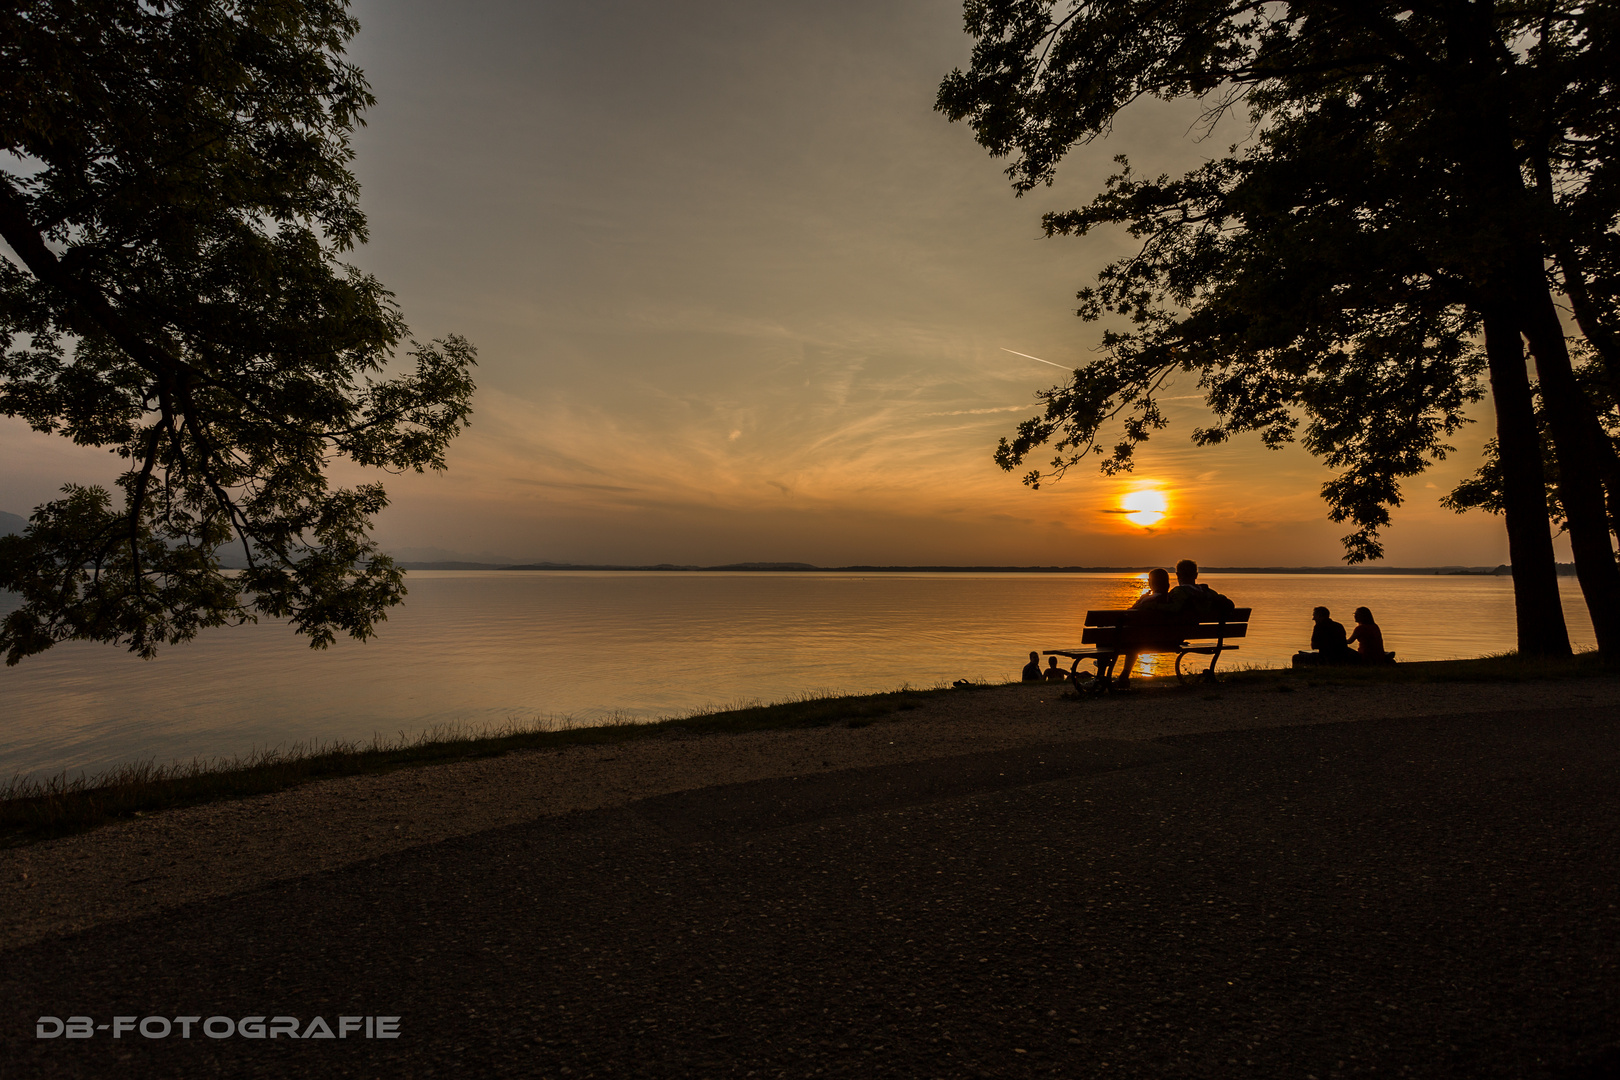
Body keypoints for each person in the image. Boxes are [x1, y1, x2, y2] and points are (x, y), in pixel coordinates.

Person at [1117, 568, 1178, 685]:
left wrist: (1139, 601)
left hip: (1142, 642)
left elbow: (1128, 615)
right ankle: (1124, 676)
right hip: (1171, 641)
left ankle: (1102, 675)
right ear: (1168, 584)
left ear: (1151, 583)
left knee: (1121, 640)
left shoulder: (1147, 601)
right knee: (1134, 641)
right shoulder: (1173, 601)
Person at [1167, 559, 1235, 619]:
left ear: (1177, 575)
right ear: (1196, 575)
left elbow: (1174, 608)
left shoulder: (1178, 592)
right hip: (1210, 632)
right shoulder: (1207, 591)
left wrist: (1157, 605)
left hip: (1185, 632)